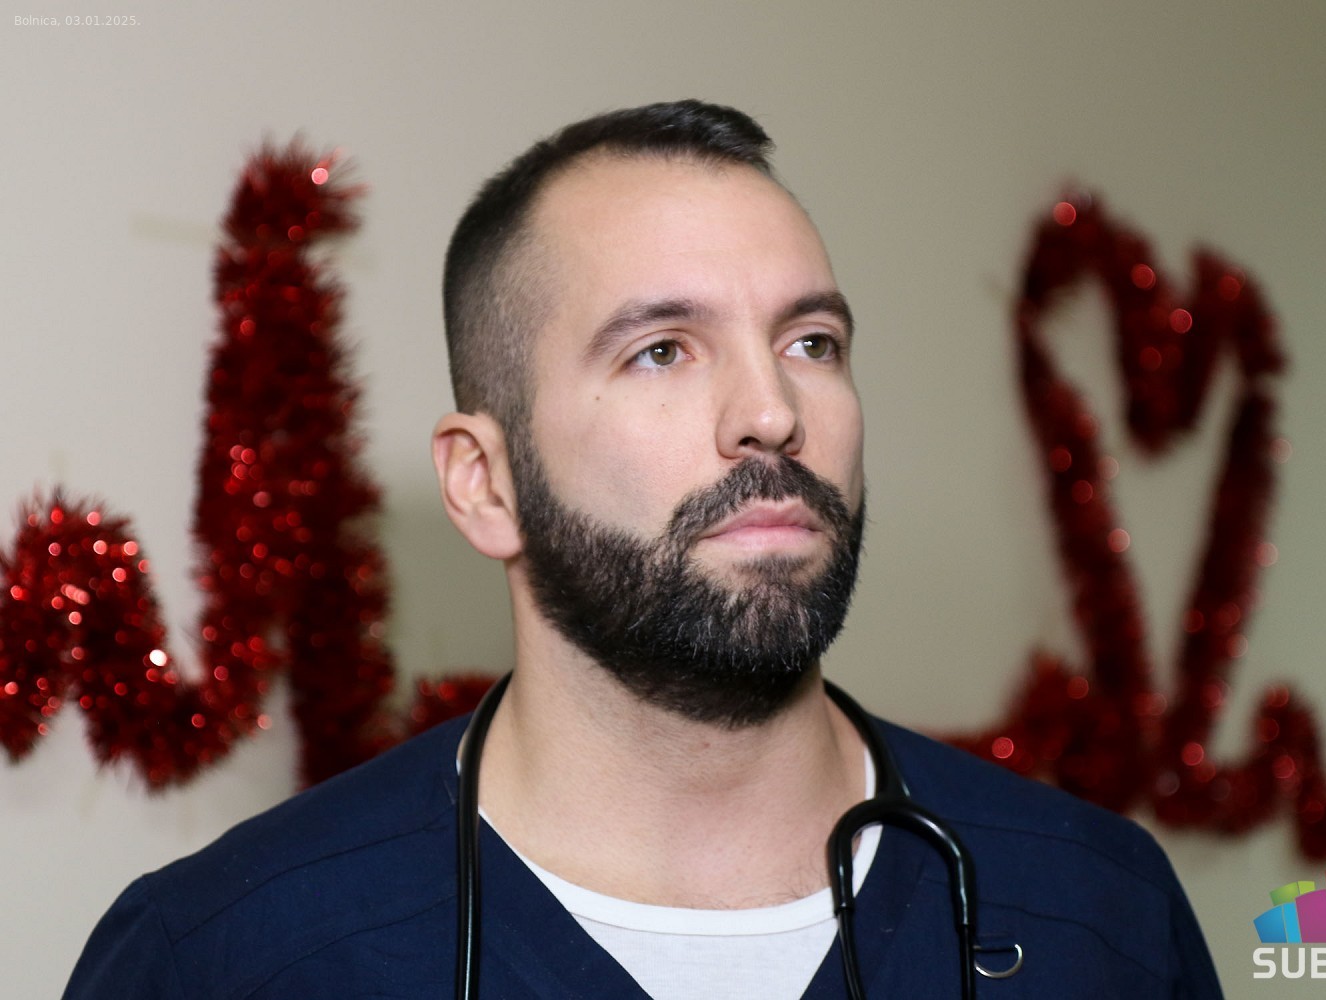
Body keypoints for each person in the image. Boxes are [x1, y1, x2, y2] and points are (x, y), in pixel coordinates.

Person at [64, 100, 1223, 999]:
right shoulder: (229, 954)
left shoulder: (1095, 912)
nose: (771, 412)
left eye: (812, 341)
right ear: (484, 483)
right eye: (662, 350)